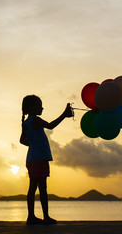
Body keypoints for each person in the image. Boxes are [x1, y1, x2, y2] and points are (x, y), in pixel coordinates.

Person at [20, 95, 73, 225]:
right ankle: (46, 217)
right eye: (39, 105)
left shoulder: (25, 123)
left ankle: (31, 217)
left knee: (33, 188)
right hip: (39, 159)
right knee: (42, 188)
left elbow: (22, 140)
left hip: (31, 158)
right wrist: (64, 115)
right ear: (31, 107)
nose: (42, 107)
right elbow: (50, 126)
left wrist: (34, 144)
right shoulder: (35, 120)